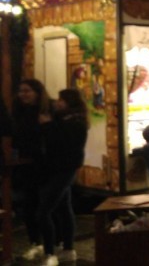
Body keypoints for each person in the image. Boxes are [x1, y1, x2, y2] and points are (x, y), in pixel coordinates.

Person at [37, 88, 89, 266]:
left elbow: (60, 142)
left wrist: (46, 125)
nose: (57, 102)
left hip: (65, 170)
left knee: (44, 210)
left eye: (62, 100)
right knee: (64, 209)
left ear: (70, 102)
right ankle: (68, 249)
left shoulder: (76, 122)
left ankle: (49, 253)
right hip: (59, 169)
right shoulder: (64, 118)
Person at [11, 79, 51, 261]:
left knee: (45, 207)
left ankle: (51, 245)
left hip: (44, 164)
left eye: (27, 91)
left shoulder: (46, 111)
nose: (23, 94)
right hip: (25, 164)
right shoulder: (19, 112)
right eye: (21, 91)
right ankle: (35, 242)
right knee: (29, 205)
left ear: (37, 92)